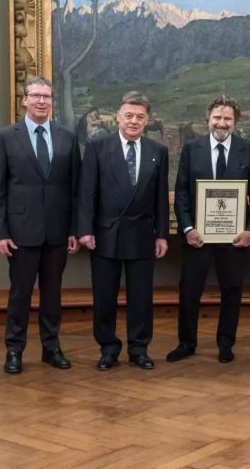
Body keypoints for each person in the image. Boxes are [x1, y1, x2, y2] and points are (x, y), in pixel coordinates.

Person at [0, 77, 80, 374]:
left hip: (57, 232)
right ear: (24, 100)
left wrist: (75, 229)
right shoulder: (5, 137)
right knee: (20, 295)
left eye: (47, 97)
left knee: (52, 295)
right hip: (20, 234)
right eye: (36, 96)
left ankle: (51, 349)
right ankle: (14, 351)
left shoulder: (67, 137)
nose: (42, 101)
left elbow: (75, 189)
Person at [167, 95, 250, 364]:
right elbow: (182, 194)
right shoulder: (191, 149)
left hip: (234, 239)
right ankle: (186, 343)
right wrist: (187, 228)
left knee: (231, 290)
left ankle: (225, 344)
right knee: (189, 291)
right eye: (217, 118)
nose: (222, 123)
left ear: (235, 122)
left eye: (227, 119)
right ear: (208, 120)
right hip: (197, 237)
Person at [77, 91, 169, 371]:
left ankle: (139, 348)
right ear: (118, 117)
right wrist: (85, 229)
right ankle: (108, 348)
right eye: (128, 115)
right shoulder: (97, 147)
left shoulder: (158, 152)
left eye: (140, 117)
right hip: (106, 233)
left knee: (141, 297)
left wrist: (162, 234)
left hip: (142, 234)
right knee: (104, 296)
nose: (134, 121)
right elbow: (86, 193)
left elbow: (160, 198)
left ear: (147, 120)